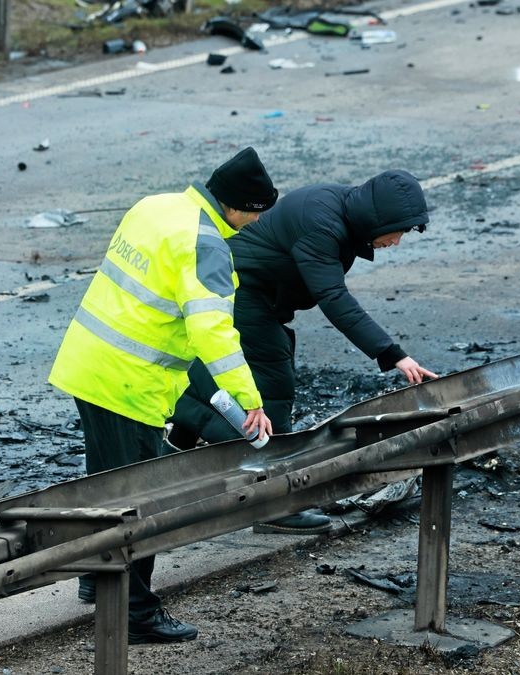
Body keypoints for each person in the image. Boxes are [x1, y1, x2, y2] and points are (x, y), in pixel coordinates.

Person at [48, 147, 279, 644]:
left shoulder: (156, 206)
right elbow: (213, 332)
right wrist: (249, 398)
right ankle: (134, 614)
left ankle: (96, 578)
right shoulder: (207, 245)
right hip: (127, 384)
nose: (258, 221)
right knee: (141, 501)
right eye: (257, 211)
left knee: (108, 488)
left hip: (90, 364)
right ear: (238, 206)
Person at [168, 170, 439, 533]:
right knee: (273, 385)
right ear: (380, 219)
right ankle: (277, 505)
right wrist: (393, 354)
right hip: (245, 291)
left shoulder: (342, 212)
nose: (397, 241)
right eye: (398, 231)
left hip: (259, 294)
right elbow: (334, 298)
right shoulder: (322, 222)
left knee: (241, 372)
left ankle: (177, 442)